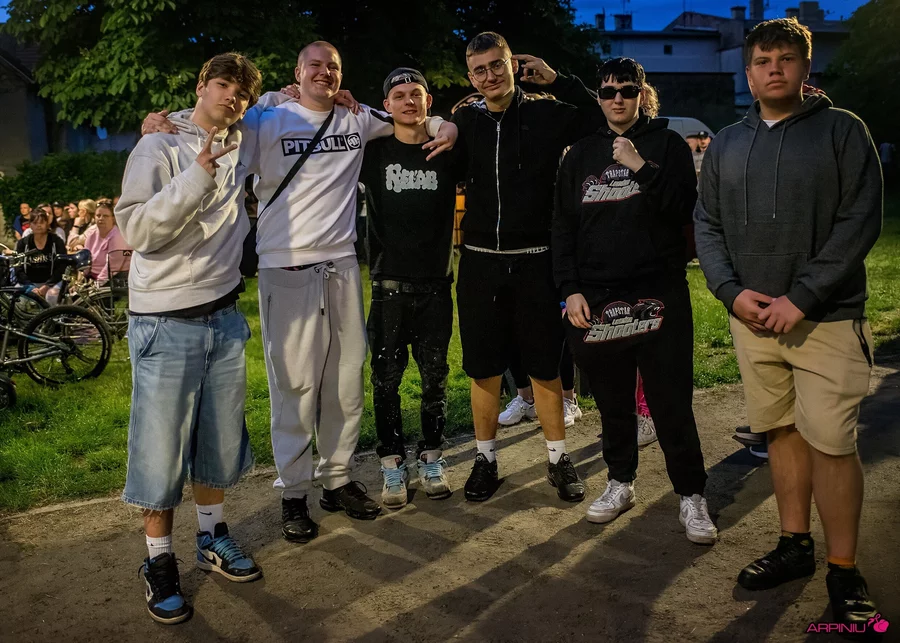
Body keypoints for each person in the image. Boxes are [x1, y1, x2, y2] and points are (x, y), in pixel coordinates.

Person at [694, 18, 883, 628]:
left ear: (806, 67)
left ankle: (844, 568)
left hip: (825, 319)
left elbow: (860, 220)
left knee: (832, 443)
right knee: (781, 432)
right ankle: (794, 543)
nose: (773, 68)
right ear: (747, 73)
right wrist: (729, 292)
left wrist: (801, 297)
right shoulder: (727, 142)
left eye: (786, 58)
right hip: (753, 320)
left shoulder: (842, 130)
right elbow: (707, 223)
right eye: (762, 60)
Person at [116, 52, 266, 625]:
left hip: (223, 316)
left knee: (219, 442)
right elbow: (137, 230)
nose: (231, 97)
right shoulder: (157, 145)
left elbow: (294, 101)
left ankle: (211, 537)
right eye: (222, 84)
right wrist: (197, 175)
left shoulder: (242, 138)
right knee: (160, 451)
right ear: (202, 86)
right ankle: (158, 560)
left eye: (241, 93)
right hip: (164, 320)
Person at [553, 57, 716, 543]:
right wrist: (569, 289)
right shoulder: (580, 154)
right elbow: (562, 227)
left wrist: (640, 166)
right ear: (599, 98)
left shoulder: (667, 145)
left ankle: (691, 495)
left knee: (670, 402)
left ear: (642, 94)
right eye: (608, 92)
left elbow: (683, 209)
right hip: (598, 296)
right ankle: (620, 482)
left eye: (626, 90)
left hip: (659, 291)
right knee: (613, 403)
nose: (617, 99)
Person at [451, 31, 606, 504]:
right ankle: (485, 459)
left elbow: (600, 115)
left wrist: (558, 79)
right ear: (470, 77)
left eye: (497, 65)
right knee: (483, 368)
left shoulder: (546, 113)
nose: (489, 76)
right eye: (479, 70)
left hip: (536, 261)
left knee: (544, 366)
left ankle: (558, 459)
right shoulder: (465, 121)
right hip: (480, 262)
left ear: (513, 65)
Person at [360, 68, 464, 509]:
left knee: (435, 378)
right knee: (385, 380)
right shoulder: (373, 151)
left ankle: (432, 457)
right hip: (388, 284)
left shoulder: (446, 149)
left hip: (436, 284)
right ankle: (391, 462)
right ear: (387, 105)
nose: (408, 101)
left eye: (415, 94)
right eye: (399, 95)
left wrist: (446, 126)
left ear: (427, 100)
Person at [14, 210, 66, 299]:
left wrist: (47, 285)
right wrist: (30, 286)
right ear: (30, 225)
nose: (38, 225)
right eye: (35, 223)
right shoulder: (23, 243)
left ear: (47, 223)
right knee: (16, 297)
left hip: (52, 282)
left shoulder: (56, 242)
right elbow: (18, 267)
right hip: (29, 283)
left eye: (42, 222)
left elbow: (62, 266)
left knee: (52, 295)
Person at [81, 199, 130, 282]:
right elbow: (85, 258)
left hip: (112, 280)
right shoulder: (91, 233)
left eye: (105, 216)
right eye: (98, 215)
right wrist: (83, 279)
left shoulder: (118, 237)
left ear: (113, 218)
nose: (101, 218)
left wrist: (97, 284)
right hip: (91, 277)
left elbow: (112, 267)